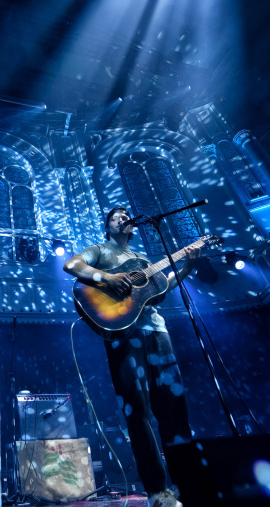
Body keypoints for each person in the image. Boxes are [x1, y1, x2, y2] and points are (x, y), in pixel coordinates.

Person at [63, 207, 200, 507]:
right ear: (108, 227)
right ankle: (157, 491)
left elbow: (162, 287)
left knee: (175, 409)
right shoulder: (100, 249)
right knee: (137, 412)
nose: (124, 218)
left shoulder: (144, 260)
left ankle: (188, 484)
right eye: (116, 217)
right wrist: (108, 278)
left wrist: (187, 267)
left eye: (126, 215)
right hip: (124, 335)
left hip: (158, 332)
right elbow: (72, 265)